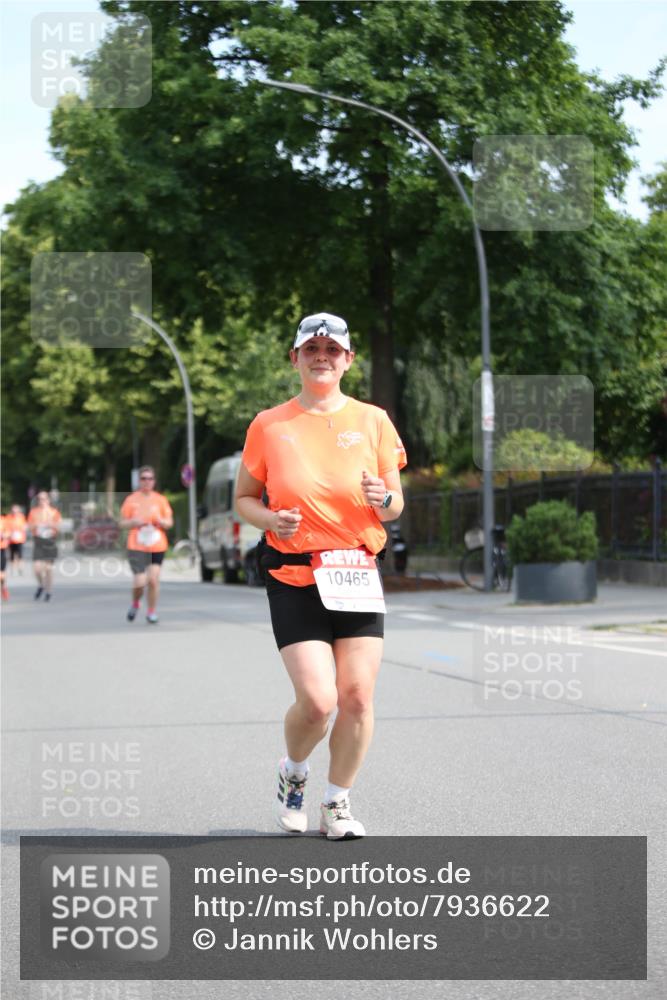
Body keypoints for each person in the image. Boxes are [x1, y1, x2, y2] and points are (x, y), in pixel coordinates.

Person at [236, 312, 407, 840]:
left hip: (355, 572)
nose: (322, 356)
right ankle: (293, 771)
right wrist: (269, 519)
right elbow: (243, 499)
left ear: (348, 360)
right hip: (293, 574)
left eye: (333, 350)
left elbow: (396, 503)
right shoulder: (269, 424)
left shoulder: (374, 420)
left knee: (356, 697)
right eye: (312, 348)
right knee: (319, 701)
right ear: (295, 358)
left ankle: (337, 803)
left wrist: (385, 499)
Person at [119, 466, 173, 624]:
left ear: (154, 481)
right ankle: (135, 603)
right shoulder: (131, 500)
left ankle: (151, 611)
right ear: (139, 481)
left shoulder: (161, 500)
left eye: (150, 478)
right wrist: (132, 522)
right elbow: (121, 522)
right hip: (136, 545)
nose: (147, 481)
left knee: (154, 580)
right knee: (140, 582)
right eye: (144, 478)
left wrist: (162, 522)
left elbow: (170, 522)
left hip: (157, 545)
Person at [27, 491, 62, 601]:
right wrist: (36, 525)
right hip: (39, 541)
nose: (42, 501)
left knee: (48, 569)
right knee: (37, 569)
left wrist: (50, 525)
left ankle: (48, 592)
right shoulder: (34, 512)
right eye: (40, 499)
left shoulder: (54, 512)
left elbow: (59, 526)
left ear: (48, 500)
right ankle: (41, 585)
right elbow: (29, 526)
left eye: (44, 498)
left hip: (50, 541)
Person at [5, 504, 27, 575]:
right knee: (12, 555)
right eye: (13, 510)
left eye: (16, 510)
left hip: (20, 539)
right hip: (11, 539)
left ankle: (20, 568)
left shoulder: (21, 517)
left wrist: (20, 529)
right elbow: (6, 527)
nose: (14, 512)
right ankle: (13, 570)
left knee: (20, 555)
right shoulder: (8, 517)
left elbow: (24, 526)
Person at [0, 514, 9, 601]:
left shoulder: (3, 520)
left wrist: (3, 535)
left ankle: (3, 587)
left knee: (1, 574)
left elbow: (8, 533)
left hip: (1, 549)